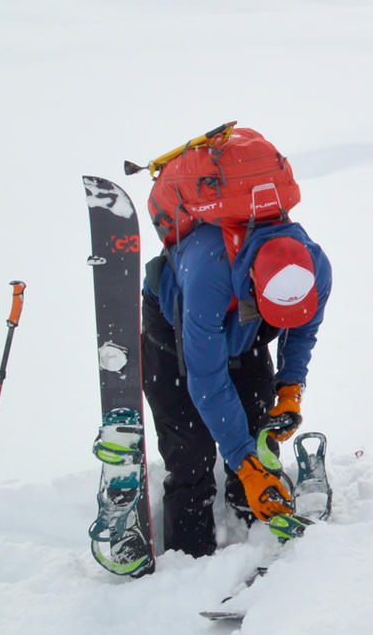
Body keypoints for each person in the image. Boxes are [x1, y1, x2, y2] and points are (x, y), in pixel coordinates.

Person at [141, 220, 331, 558]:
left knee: (258, 433)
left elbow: (302, 330)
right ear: (255, 280)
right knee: (190, 451)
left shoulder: (316, 267)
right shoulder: (207, 281)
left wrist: (290, 389)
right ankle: (189, 562)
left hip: (246, 325)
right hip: (178, 326)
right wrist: (244, 464)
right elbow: (209, 385)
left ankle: (256, 539)